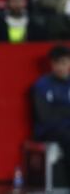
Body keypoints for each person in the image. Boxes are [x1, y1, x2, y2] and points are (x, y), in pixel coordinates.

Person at [32, 45, 70, 183]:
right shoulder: (42, 85)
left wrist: (60, 111)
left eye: (64, 62)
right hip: (49, 130)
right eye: (57, 63)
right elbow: (44, 116)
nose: (60, 67)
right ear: (51, 64)